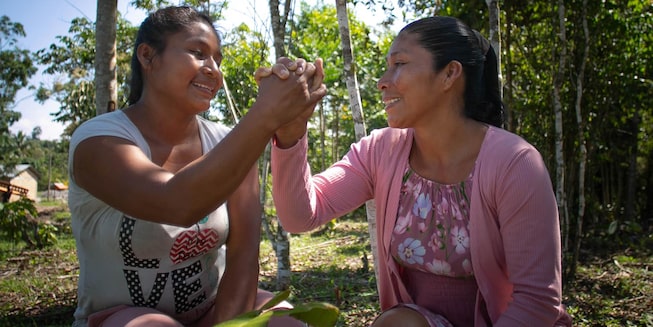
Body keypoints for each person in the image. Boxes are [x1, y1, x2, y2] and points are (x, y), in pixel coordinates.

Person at [267, 16, 572, 326]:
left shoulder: (514, 163)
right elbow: (299, 215)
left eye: (399, 64)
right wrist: (291, 130)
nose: (383, 81)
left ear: (450, 74)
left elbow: (537, 301)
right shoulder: (381, 151)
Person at [68, 6, 325, 327]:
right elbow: (175, 203)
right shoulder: (99, 141)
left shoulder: (226, 141)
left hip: (215, 309)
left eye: (218, 60)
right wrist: (265, 114)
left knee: (290, 322)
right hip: (121, 317)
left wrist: (231, 324)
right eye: (198, 53)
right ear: (147, 56)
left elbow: (244, 256)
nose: (214, 70)